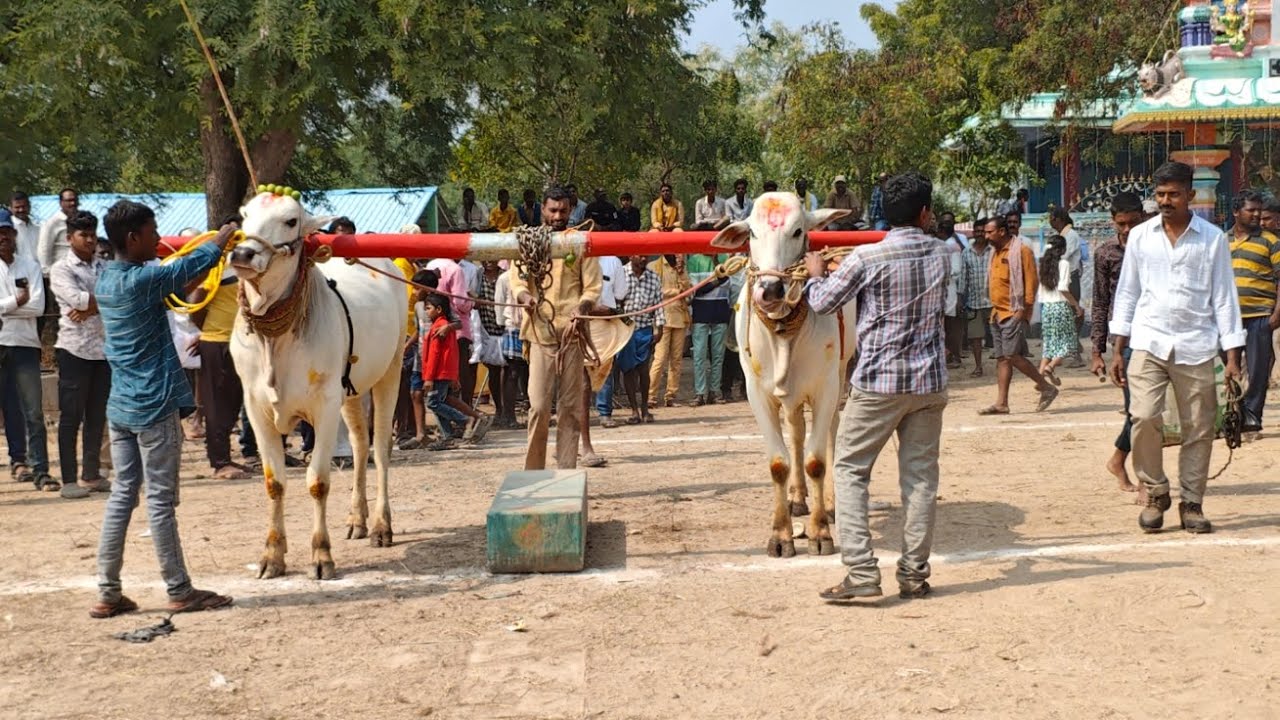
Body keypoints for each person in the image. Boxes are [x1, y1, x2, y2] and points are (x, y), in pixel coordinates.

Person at [806, 172, 948, 601]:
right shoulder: (943, 253)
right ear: (925, 214)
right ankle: (914, 574)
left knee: (850, 469)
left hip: (878, 383)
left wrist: (816, 273)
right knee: (920, 479)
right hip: (928, 382)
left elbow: (822, 303)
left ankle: (863, 572)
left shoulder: (866, 258)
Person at [91, 200, 235, 619]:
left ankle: (108, 591)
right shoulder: (143, 280)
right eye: (153, 232)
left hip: (121, 405)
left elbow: (177, 288)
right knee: (159, 501)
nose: (158, 239)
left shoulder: (108, 280)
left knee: (122, 495)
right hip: (154, 404)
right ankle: (179, 588)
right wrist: (222, 238)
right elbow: (186, 267)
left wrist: (211, 255)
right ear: (132, 237)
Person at [1110, 161, 1244, 534]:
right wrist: (1117, 348)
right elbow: (1128, 292)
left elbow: (1224, 298)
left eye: (1173, 194)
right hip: (1148, 342)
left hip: (1196, 344)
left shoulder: (1212, 239)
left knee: (1198, 427)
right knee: (1143, 417)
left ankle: (1192, 502)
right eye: (1160, 194)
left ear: (1190, 195)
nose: (1166, 201)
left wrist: (1232, 356)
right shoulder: (1141, 236)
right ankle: (1156, 493)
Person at [510, 185, 603, 470]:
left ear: (570, 210)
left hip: (572, 333)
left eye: (563, 211)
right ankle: (533, 472)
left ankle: (566, 470)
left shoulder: (580, 242)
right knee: (538, 406)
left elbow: (592, 288)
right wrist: (525, 298)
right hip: (540, 331)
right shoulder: (528, 241)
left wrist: (582, 308)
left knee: (570, 406)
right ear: (543, 209)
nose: (558, 216)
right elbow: (517, 281)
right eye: (553, 210)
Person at [50, 210, 112, 499]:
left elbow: (121, 295)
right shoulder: (61, 269)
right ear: (69, 238)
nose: (89, 240)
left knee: (97, 415)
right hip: (74, 349)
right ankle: (68, 479)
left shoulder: (105, 266)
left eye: (92, 234)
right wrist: (97, 304)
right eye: (83, 235)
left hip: (102, 349)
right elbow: (77, 299)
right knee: (71, 416)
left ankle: (91, 474)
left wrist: (90, 307)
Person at [1090, 192, 1145, 497]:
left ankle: (1119, 460)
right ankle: (1135, 472)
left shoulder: (1154, 245)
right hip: (1124, 341)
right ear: (1113, 221)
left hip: (1155, 333)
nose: (1126, 230)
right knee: (1138, 409)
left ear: (1142, 217)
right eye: (1121, 224)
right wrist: (1097, 351)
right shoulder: (1105, 254)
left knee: (1147, 410)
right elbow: (1100, 302)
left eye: (1132, 223)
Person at [980, 215, 1058, 415]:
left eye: (989, 232)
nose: (986, 236)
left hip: (1014, 311)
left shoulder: (1022, 251)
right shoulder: (994, 253)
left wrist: (1022, 311)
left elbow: (1032, 283)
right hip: (997, 312)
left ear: (1001, 232)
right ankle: (1001, 403)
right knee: (1002, 359)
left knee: (1012, 355)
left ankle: (1046, 387)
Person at [0, 209, 52, 490]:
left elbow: (38, 307)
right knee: (8, 407)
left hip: (24, 344)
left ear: (14, 234)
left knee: (32, 410)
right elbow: (25, 303)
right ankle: (17, 460)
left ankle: (40, 469)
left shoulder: (30, 266)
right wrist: (17, 301)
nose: (3, 237)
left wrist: (6, 308)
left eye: (6, 232)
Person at [1225, 191, 1280, 434]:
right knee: (1228, 366)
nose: (1257, 214)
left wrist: (1277, 313)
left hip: (1260, 315)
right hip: (1229, 318)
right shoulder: (1221, 241)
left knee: (1258, 370)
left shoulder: (1271, 241)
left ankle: (1251, 416)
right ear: (1236, 212)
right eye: (1251, 210)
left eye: (1259, 210)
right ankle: (1235, 411)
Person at [617, 255, 664, 424]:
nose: (644, 259)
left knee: (644, 369)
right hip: (624, 328)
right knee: (628, 370)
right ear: (631, 256)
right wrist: (622, 320)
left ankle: (645, 408)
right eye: (640, 255)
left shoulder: (653, 277)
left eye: (646, 256)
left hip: (645, 329)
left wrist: (659, 328)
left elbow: (659, 304)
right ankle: (634, 410)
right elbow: (616, 302)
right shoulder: (621, 274)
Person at [420, 293, 471, 451]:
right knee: (437, 405)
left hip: (438, 374)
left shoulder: (440, 327)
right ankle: (447, 437)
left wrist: (429, 378)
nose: (426, 311)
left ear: (439, 309)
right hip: (442, 373)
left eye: (428, 308)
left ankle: (465, 420)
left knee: (433, 403)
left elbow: (434, 354)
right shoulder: (443, 325)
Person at [1036, 235, 1084, 385]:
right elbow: (1063, 288)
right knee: (1068, 343)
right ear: (1063, 249)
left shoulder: (1043, 264)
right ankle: (1050, 367)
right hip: (1061, 307)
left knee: (1049, 345)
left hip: (1047, 308)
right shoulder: (1064, 264)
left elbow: (1041, 291)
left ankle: (1040, 381)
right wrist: (1075, 305)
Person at [687, 252, 731, 405]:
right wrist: (719, 280)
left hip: (720, 311)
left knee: (718, 355)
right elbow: (696, 290)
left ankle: (714, 391)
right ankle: (700, 393)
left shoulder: (725, 259)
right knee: (699, 355)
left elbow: (729, 284)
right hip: (701, 312)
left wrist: (716, 277)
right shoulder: (694, 260)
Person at [648, 254, 691, 406]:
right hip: (662, 318)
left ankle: (671, 396)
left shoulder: (681, 268)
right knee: (660, 359)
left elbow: (688, 290)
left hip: (680, 318)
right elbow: (653, 291)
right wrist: (676, 292)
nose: (679, 254)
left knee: (676, 360)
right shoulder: (654, 266)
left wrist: (681, 273)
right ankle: (650, 396)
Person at [594, 254, 629, 428]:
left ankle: (604, 412)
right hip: (577, 320)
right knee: (575, 369)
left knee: (605, 368)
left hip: (604, 322)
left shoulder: (613, 261)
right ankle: (576, 414)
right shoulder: (575, 258)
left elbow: (620, 294)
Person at [1049, 207, 1086, 368]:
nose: (1050, 222)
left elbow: (1063, 256)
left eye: (1051, 218)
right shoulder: (1063, 236)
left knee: (1072, 314)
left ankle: (1075, 353)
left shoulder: (1070, 235)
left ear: (1058, 219)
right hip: (1064, 277)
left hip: (1069, 278)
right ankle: (1073, 347)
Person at [493, 264, 527, 428]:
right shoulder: (505, 278)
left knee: (532, 372)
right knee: (512, 372)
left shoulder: (535, 275)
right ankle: (509, 416)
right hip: (513, 325)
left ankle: (535, 412)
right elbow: (499, 305)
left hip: (533, 326)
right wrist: (502, 324)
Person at [960, 218, 994, 376]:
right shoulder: (966, 253)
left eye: (983, 231)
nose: (980, 234)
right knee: (975, 337)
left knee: (999, 334)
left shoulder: (994, 251)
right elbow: (963, 278)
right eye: (977, 231)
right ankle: (978, 366)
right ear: (973, 233)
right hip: (974, 302)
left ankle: (1003, 364)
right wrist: (960, 299)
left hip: (994, 301)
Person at [936, 212, 965, 368]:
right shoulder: (948, 245)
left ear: (942, 232)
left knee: (950, 325)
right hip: (946, 289)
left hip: (950, 288)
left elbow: (956, 270)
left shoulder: (950, 246)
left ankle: (954, 355)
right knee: (946, 324)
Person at [9, 191, 40, 261]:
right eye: (17, 207)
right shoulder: (8, 229)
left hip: (38, 267)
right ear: (10, 208)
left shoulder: (38, 228)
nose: (21, 210)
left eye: (24, 206)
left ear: (29, 206)